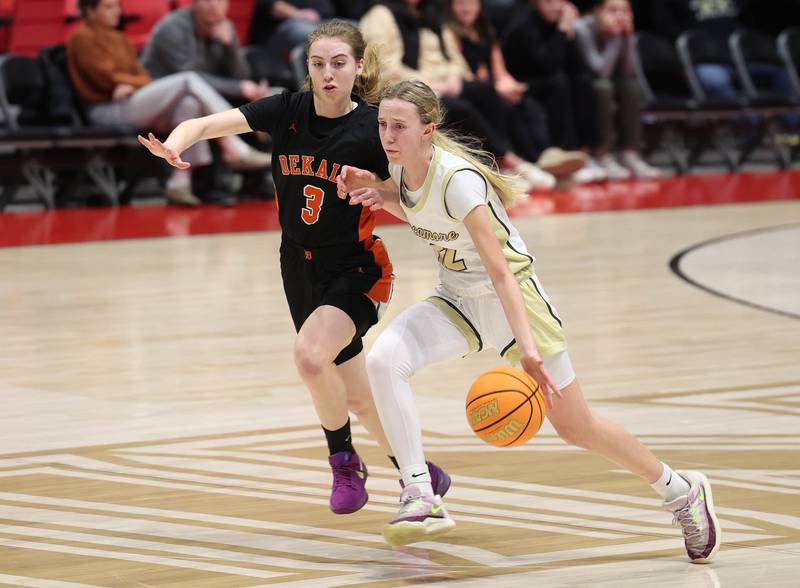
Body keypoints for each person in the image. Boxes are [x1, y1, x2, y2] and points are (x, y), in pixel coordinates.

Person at [336, 79, 721, 561]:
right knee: (385, 360)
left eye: (399, 126)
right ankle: (420, 494)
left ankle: (681, 491)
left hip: (513, 303)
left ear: (428, 130)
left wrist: (529, 352)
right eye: (382, 125)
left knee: (576, 427)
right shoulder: (402, 172)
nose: (387, 135)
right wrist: (377, 193)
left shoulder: (460, 181)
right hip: (457, 300)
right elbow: (420, 210)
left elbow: (501, 274)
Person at [138, 21, 450, 514]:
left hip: (357, 268)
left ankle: (344, 462)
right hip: (297, 268)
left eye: (339, 63)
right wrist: (176, 145)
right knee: (358, 398)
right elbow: (204, 124)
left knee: (309, 358)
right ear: (307, 67)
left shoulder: (375, 127)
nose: (328, 74)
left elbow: (415, 196)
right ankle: (419, 471)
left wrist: (382, 191)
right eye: (318, 64)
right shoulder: (287, 110)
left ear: (359, 66)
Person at [67, 0, 271, 207]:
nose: (117, 11)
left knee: (189, 105)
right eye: (109, 7)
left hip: (130, 101)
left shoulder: (120, 37)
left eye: (117, 5)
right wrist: (125, 84)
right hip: (105, 109)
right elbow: (105, 76)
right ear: (90, 11)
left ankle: (179, 182)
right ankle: (234, 146)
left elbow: (143, 77)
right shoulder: (81, 37)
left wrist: (130, 84)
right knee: (188, 78)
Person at [360, 0, 557, 191]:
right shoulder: (379, 15)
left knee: (485, 91)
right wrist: (433, 85)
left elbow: (455, 58)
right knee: (458, 107)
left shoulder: (432, 13)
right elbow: (386, 69)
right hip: (408, 90)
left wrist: (454, 78)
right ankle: (510, 162)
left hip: (444, 83)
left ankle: (499, 164)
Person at [446, 0, 587, 181]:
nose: (466, 8)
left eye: (471, 3)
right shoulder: (449, 32)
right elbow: (461, 72)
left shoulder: (485, 31)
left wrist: (509, 84)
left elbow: (500, 70)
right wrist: (496, 87)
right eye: (460, 4)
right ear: (450, 7)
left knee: (524, 100)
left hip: (491, 86)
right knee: (505, 107)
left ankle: (547, 156)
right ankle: (525, 161)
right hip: (474, 89)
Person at [502, 0, 608, 182]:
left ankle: (586, 152)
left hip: (547, 81)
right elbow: (547, 64)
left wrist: (570, 33)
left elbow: (578, 65)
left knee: (584, 82)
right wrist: (563, 30)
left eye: (560, 1)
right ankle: (566, 150)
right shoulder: (524, 24)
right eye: (549, 2)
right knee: (559, 83)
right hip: (521, 84)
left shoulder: (559, 25)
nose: (556, 7)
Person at [574, 0, 662, 178]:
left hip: (605, 82)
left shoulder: (622, 31)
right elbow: (600, 71)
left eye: (625, 11)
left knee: (631, 86)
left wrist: (628, 37)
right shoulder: (581, 28)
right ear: (597, 11)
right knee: (603, 87)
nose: (620, 16)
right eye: (612, 10)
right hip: (578, 87)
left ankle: (629, 153)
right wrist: (615, 38)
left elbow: (628, 70)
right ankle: (602, 153)